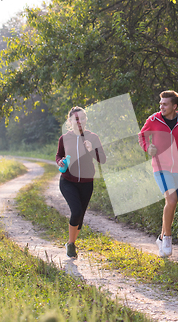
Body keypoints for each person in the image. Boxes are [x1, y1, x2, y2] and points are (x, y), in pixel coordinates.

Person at [138, 90, 178, 257]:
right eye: (160, 103)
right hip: (160, 167)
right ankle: (168, 239)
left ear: (174, 106)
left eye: (165, 104)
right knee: (171, 199)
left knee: (172, 204)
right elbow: (142, 135)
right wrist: (147, 147)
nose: (161, 107)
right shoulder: (154, 119)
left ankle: (161, 237)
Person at [56, 106, 106, 258]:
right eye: (76, 119)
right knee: (76, 211)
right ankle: (71, 245)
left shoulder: (93, 137)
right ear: (70, 121)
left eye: (83, 118)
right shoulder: (64, 138)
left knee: (80, 218)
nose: (80, 121)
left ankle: (72, 242)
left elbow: (102, 159)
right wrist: (60, 162)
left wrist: (91, 150)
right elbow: (59, 155)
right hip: (68, 181)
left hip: (86, 182)